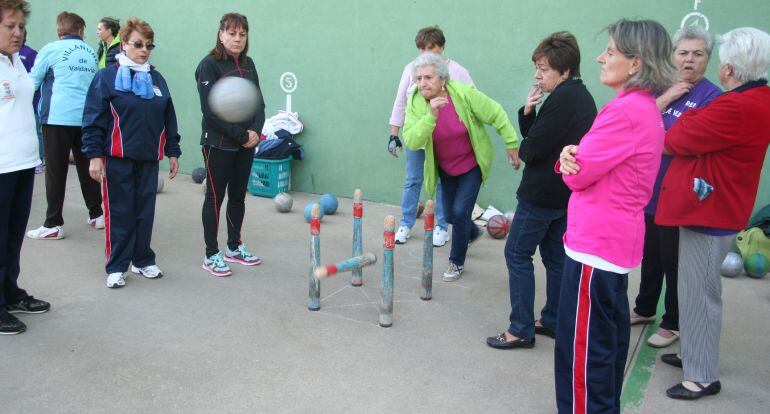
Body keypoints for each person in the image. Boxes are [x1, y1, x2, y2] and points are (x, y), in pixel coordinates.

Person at [555, 19, 676, 412]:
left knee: (584, 356)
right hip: (610, 244)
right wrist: (572, 157)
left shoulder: (623, 112)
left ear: (636, 63)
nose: (600, 58)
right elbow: (586, 164)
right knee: (603, 345)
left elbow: (579, 175)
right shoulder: (639, 110)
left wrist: (568, 159)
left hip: (596, 245)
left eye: (610, 51)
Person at [656, 27, 770, 401]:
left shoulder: (733, 105)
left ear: (730, 68)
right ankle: (693, 353)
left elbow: (674, 139)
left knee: (701, 292)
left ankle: (702, 375)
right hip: (718, 206)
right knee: (693, 290)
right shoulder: (758, 99)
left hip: (711, 211)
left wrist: (684, 122)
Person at [486, 32, 596, 350]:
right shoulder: (579, 97)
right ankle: (553, 319)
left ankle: (520, 329)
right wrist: (529, 112)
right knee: (554, 257)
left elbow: (531, 151)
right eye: (537, 67)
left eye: (544, 68)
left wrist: (531, 125)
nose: (538, 74)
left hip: (542, 195)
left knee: (517, 254)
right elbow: (538, 141)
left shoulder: (563, 100)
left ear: (564, 71)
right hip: (562, 194)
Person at [630, 26, 722, 349]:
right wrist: (666, 98)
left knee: (674, 261)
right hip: (650, 189)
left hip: (680, 194)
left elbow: (692, 143)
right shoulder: (662, 90)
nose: (689, 60)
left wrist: (661, 139)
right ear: (673, 56)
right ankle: (643, 308)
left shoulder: (713, 97)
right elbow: (636, 126)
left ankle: (673, 321)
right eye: (683, 53)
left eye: (698, 54)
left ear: (707, 60)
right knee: (650, 254)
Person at [82, 17, 181, 288]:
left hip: (148, 159)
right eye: (138, 44)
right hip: (116, 160)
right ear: (123, 44)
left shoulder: (156, 77)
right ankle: (116, 266)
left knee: (144, 212)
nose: (144, 50)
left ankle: (142, 260)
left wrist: (172, 150)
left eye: (149, 45)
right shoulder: (106, 77)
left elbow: (168, 116)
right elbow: (93, 118)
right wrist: (93, 155)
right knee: (120, 212)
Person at [403, 52, 520, 282]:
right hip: (446, 168)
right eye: (419, 78)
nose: (423, 83)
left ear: (442, 79)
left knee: (459, 212)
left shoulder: (463, 94)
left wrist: (511, 143)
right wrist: (430, 116)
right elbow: (412, 140)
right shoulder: (416, 102)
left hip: (471, 165)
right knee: (450, 215)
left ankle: (456, 262)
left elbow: (495, 112)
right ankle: (473, 231)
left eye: (428, 77)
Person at [389, 26, 472, 247]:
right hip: (418, 135)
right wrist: (393, 135)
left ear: (442, 47)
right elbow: (400, 102)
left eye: (432, 49)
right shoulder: (411, 70)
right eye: (422, 49)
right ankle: (406, 224)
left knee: (443, 184)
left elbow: (474, 103)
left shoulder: (458, 72)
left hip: (446, 141)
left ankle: (441, 227)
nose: (426, 53)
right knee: (412, 180)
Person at [196, 13, 265, 277]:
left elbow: (258, 103)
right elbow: (210, 111)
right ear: (221, 34)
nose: (237, 39)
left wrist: (256, 131)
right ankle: (211, 254)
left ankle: (234, 248)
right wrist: (241, 134)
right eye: (232, 33)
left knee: (238, 196)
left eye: (242, 34)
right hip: (219, 144)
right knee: (215, 198)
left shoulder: (248, 64)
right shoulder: (209, 65)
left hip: (245, 144)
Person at [27, 11, 103, 240]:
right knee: (86, 168)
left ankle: (53, 224)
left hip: (57, 118)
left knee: (55, 170)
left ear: (59, 29)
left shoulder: (50, 49)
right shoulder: (91, 52)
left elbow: (33, 81)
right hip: (86, 120)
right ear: (79, 30)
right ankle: (97, 214)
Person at [0, 0, 51, 335]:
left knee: (13, 236)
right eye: (10, 27)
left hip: (22, 163)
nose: (18, 33)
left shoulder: (16, 61)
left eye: (21, 26)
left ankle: (10, 292)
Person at [18, 32, 43, 173]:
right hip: (19, 104)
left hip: (33, 101)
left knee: (36, 131)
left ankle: (39, 160)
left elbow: (36, 77)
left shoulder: (30, 53)